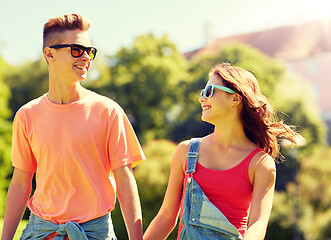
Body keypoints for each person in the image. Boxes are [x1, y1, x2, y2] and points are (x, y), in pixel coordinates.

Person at [1, 13, 145, 240]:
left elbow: (125, 181)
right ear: (50, 54)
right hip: (40, 233)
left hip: (94, 234)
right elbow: (20, 184)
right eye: (77, 50)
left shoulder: (108, 111)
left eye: (90, 51)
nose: (86, 57)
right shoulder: (27, 115)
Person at [143, 63, 297, 240]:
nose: (202, 99)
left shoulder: (260, 163)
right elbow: (166, 217)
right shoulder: (185, 152)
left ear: (235, 99)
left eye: (209, 92)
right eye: (202, 93)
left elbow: (258, 223)